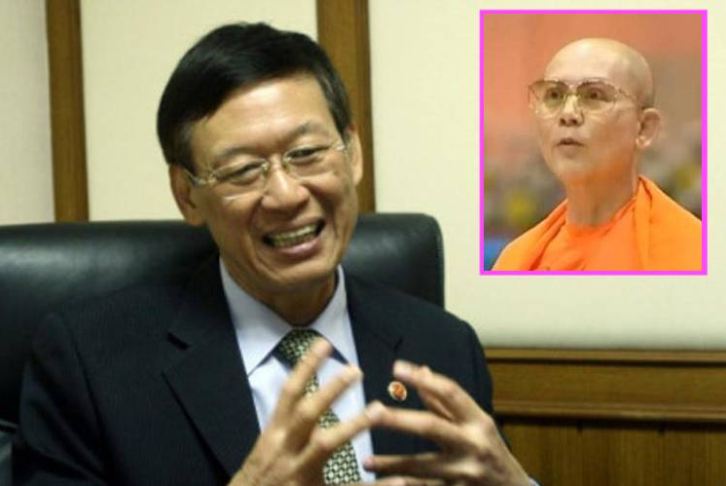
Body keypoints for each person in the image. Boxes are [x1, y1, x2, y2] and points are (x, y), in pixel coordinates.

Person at [13, 23, 532, 485]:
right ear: (187, 195)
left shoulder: (443, 346)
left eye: (306, 154)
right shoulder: (91, 363)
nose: (286, 195)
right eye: (243, 171)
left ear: (352, 154)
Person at [493, 38, 702, 271]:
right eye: (554, 95)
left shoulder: (694, 252)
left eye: (594, 96)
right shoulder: (517, 260)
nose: (568, 114)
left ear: (644, 128)